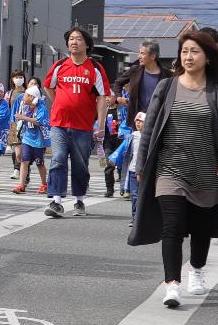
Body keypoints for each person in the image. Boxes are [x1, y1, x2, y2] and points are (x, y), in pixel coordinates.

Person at [130, 30, 218, 309]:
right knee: (172, 226)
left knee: (201, 227)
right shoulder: (167, 87)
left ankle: (196, 269)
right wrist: (142, 162)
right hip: (170, 168)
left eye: (194, 51)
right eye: (184, 51)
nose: (188, 56)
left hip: (207, 170)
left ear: (207, 57)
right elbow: (150, 129)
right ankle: (172, 284)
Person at [43, 27, 112, 219]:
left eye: (79, 39)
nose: (74, 42)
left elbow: (102, 97)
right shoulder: (60, 65)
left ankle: (79, 199)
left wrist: (99, 126)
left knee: (80, 164)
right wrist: (59, 101)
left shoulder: (95, 68)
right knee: (58, 158)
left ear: (87, 44)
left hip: (83, 125)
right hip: (59, 123)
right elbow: (48, 85)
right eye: (71, 39)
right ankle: (56, 202)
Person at [10, 80, 50, 196]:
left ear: (32, 97)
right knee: (24, 161)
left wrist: (23, 117)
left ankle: (44, 184)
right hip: (27, 138)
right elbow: (17, 116)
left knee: (39, 163)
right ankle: (21, 185)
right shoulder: (26, 106)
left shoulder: (42, 108)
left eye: (27, 95)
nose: (24, 97)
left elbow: (39, 121)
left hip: (38, 140)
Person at [119, 42, 168, 126]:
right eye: (139, 53)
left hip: (157, 122)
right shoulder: (135, 70)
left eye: (142, 53)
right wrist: (118, 97)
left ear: (153, 56)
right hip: (137, 122)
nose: (139, 56)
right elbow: (118, 83)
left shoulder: (167, 75)